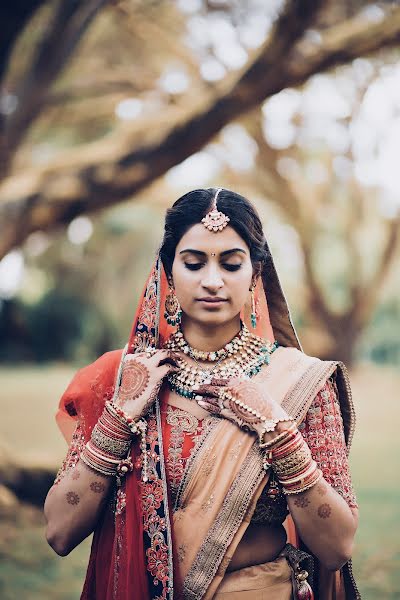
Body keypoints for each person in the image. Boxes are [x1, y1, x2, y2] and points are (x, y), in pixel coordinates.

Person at [44, 188, 360, 600]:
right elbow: (60, 531)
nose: (212, 281)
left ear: (255, 275)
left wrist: (279, 433)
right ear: (169, 274)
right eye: (194, 263)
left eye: (231, 264)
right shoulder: (124, 378)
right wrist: (118, 419)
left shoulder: (300, 384)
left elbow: (337, 548)